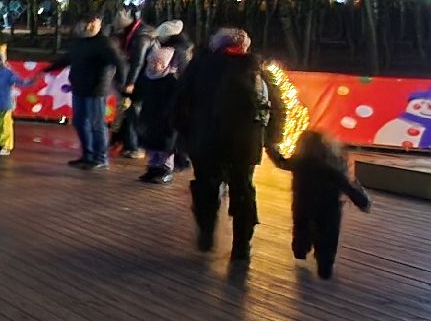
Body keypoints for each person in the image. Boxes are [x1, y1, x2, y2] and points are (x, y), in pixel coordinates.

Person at [173, 27, 284, 261]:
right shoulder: (256, 69)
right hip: (244, 142)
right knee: (243, 189)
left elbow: (179, 100)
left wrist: (184, 134)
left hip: (206, 139)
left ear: (216, 45)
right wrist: (272, 138)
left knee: (206, 186)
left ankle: (206, 230)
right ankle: (242, 245)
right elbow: (276, 105)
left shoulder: (200, 67)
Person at [269, 130, 371, 280]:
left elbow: (282, 162)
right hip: (328, 206)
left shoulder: (299, 162)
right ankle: (325, 266)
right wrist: (363, 202)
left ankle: (300, 252)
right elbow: (346, 185)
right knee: (328, 235)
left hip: (303, 202)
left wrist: (270, 148)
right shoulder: (330, 166)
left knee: (301, 228)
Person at [42, 16, 128, 170]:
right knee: (80, 123)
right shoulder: (79, 43)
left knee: (96, 124)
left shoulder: (104, 43)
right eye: (84, 24)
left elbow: (119, 62)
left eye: (91, 24)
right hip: (79, 87)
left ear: (97, 25)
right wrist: (47, 69)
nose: (87, 27)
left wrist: (124, 83)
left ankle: (100, 157)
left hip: (96, 89)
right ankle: (87, 155)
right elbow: (67, 58)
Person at [133, 38, 186, 184]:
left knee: (165, 147)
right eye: (153, 62)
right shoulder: (147, 78)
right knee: (151, 145)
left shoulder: (171, 81)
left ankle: (165, 170)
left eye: (159, 63)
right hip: (149, 116)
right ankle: (152, 168)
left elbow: (176, 101)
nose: (154, 65)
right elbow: (139, 94)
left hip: (166, 119)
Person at [111, 8, 155, 162]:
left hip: (141, 80)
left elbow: (138, 62)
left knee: (133, 111)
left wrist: (130, 82)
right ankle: (128, 143)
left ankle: (135, 146)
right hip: (140, 78)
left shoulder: (141, 37)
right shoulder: (136, 34)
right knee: (130, 111)